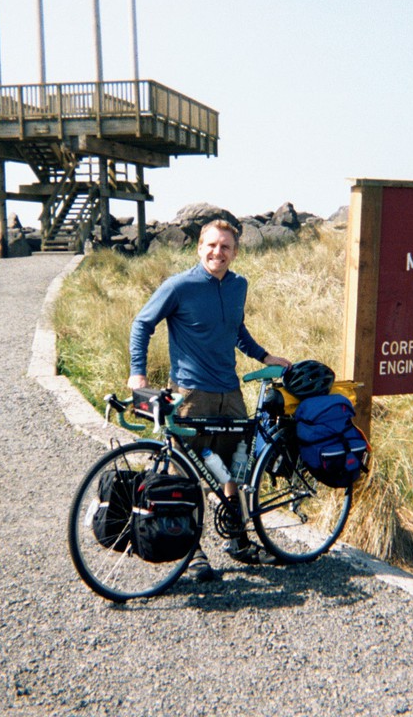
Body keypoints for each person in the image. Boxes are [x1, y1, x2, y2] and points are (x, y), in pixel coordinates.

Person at [128, 219, 290, 581]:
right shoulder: (179, 286)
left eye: (226, 247)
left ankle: (238, 540)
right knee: (185, 474)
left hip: (229, 392)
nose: (218, 252)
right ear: (199, 248)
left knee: (232, 468)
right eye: (212, 246)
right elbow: (142, 324)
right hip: (190, 394)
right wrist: (137, 373)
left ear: (235, 251)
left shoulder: (238, 285)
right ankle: (192, 551)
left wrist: (264, 357)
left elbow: (237, 329)